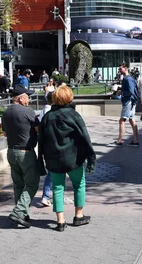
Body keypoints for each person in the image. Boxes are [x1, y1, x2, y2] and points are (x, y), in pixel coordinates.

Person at [38, 84, 96, 232]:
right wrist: (90, 156)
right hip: (74, 158)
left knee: (57, 188)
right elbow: (85, 136)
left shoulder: (47, 117)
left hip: (54, 159)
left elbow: (41, 140)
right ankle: (78, 215)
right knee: (79, 185)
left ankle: (60, 220)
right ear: (69, 98)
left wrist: (41, 159)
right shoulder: (73, 115)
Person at [1, 84, 40, 228]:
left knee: (18, 184)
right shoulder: (28, 111)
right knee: (32, 183)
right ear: (21, 98)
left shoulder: (5, 113)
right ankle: (18, 212)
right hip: (25, 153)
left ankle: (22, 213)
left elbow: (5, 133)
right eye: (28, 97)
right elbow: (38, 129)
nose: (29, 100)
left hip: (11, 152)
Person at [108, 64, 139, 147]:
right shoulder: (129, 78)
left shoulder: (128, 79)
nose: (119, 70)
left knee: (122, 120)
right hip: (131, 101)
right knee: (132, 120)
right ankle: (135, 141)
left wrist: (120, 92)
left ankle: (120, 140)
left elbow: (130, 91)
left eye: (120, 69)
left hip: (128, 101)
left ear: (125, 69)